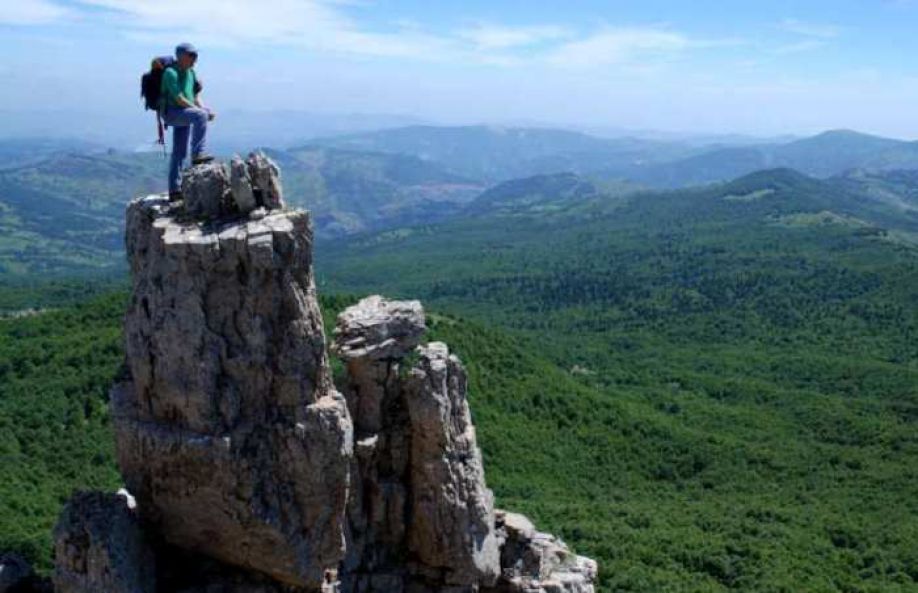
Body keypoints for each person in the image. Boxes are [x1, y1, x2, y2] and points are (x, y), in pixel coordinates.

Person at [161, 42, 215, 200]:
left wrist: (205, 109)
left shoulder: (191, 73)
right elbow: (179, 99)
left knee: (179, 152)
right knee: (199, 116)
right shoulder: (170, 73)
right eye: (192, 56)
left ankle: (174, 191)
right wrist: (201, 112)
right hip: (172, 112)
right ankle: (198, 154)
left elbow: (195, 96)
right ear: (181, 56)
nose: (195, 59)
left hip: (184, 112)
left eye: (195, 56)